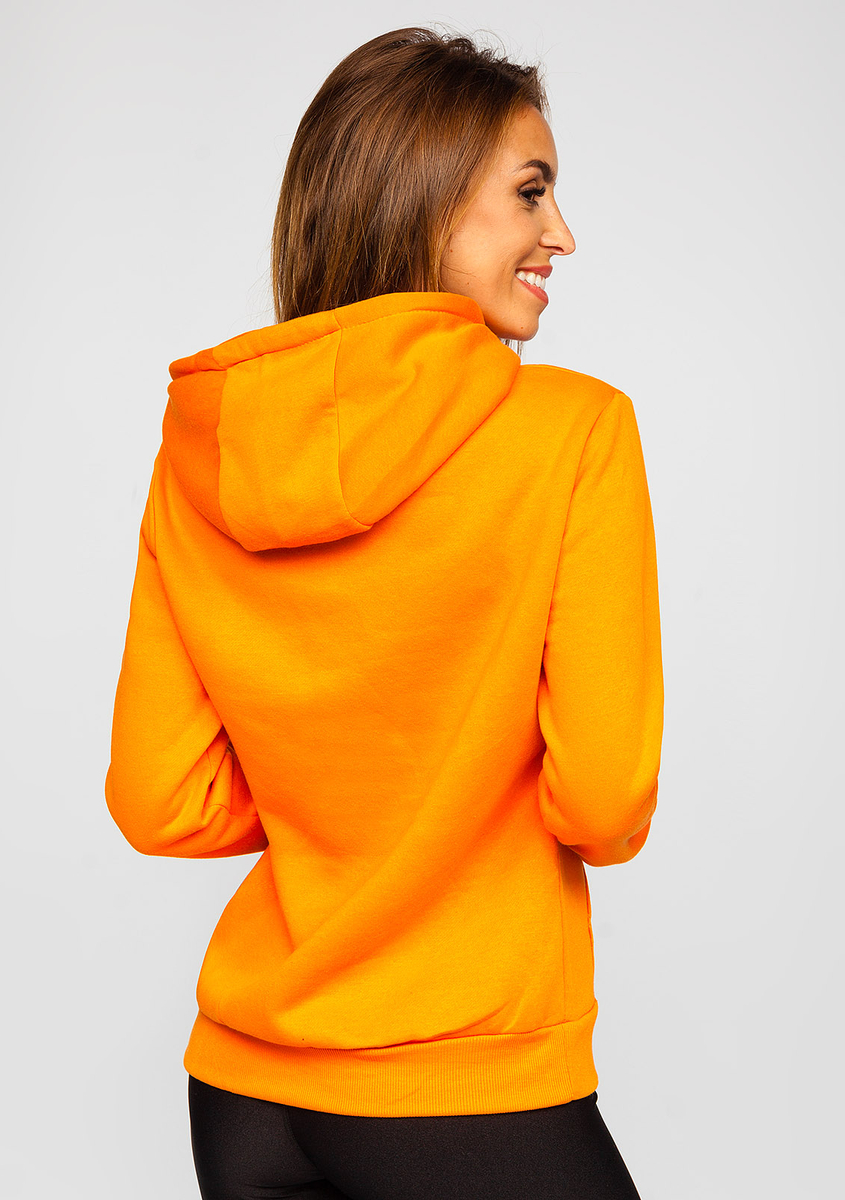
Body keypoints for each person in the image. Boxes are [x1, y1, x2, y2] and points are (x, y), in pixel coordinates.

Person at [105, 24, 664, 1200]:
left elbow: (158, 798)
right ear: (425, 199)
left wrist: (336, 801)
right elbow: (606, 801)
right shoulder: (574, 432)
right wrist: (441, 803)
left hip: (244, 1097)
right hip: (460, 1084)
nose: (562, 233)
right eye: (531, 193)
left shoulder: (206, 447)